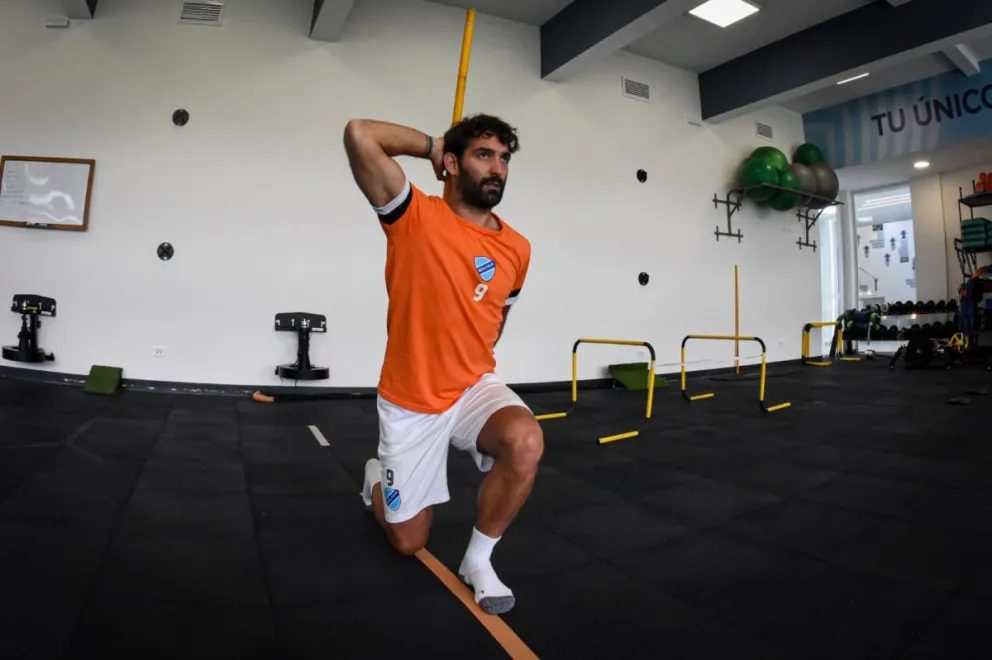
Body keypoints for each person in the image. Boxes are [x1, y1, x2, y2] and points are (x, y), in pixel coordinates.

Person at [342, 114, 544, 615]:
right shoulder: (413, 215)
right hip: (412, 399)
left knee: (526, 440)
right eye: (483, 155)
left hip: (474, 385)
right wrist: (431, 145)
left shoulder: (518, 248)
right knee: (408, 542)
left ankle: (478, 560)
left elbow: (496, 319)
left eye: (503, 158)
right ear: (452, 164)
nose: (497, 168)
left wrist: (476, 360)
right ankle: (376, 478)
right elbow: (359, 134)